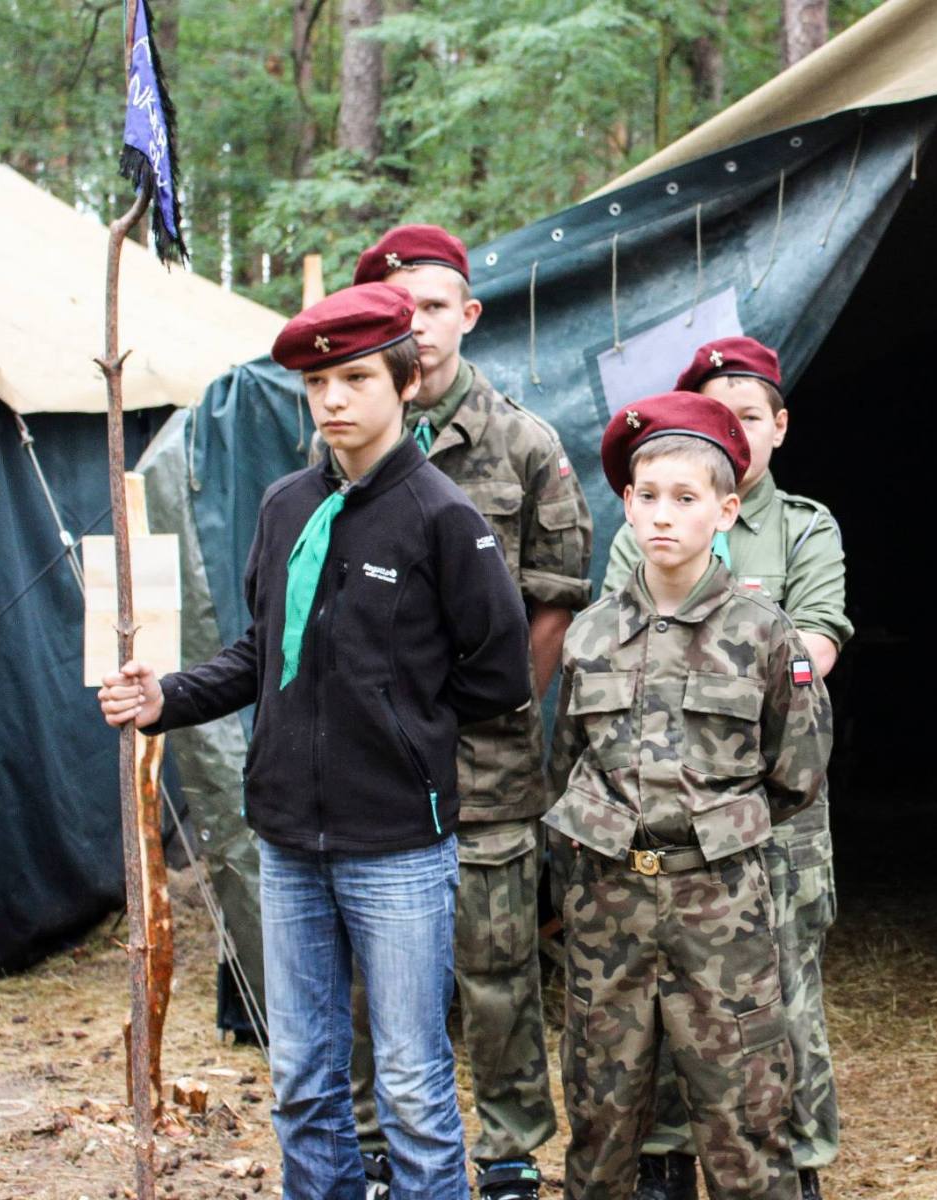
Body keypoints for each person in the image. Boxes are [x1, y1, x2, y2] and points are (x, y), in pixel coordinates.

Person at [97, 282, 532, 1200]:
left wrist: (397, 724)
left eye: (356, 378)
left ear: (405, 383)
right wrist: (165, 697)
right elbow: (263, 651)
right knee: (301, 1077)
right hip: (288, 839)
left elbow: (499, 676)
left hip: (398, 848)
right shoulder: (286, 505)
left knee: (411, 1083)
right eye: (316, 383)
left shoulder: (444, 517)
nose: (333, 399)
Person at [344, 224, 593, 1200]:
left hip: (485, 758)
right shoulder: (347, 437)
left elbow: (554, 604)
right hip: (374, 757)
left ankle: (509, 1147)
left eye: (435, 306)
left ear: (468, 315)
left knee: (496, 967)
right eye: (399, 309)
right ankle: (373, 1141)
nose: (418, 324)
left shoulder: (524, 445)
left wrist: (493, 707)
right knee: (373, 966)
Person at [547, 392, 833, 1200]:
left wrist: (714, 839)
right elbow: (568, 763)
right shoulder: (590, 634)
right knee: (601, 1120)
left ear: (726, 511)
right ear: (626, 503)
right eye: (647, 496)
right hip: (609, 905)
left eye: (685, 497)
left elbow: (797, 771)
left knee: (745, 1120)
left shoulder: (765, 633)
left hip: (721, 906)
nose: (663, 515)